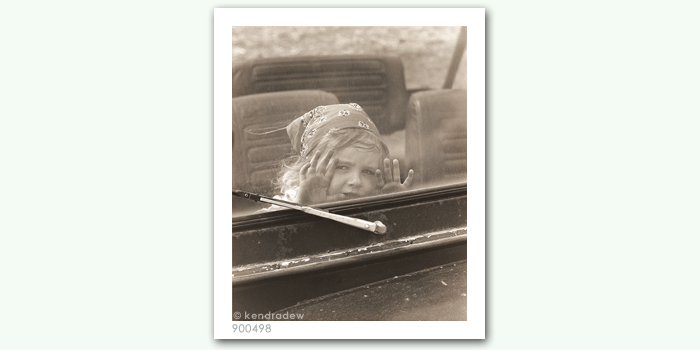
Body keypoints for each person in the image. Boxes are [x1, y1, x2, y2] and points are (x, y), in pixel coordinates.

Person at [272, 103, 413, 207]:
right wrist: (303, 207)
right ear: (310, 167)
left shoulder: (367, 203)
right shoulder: (287, 203)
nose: (356, 181)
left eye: (367, 171)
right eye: (343, 167)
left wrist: (392, 208)